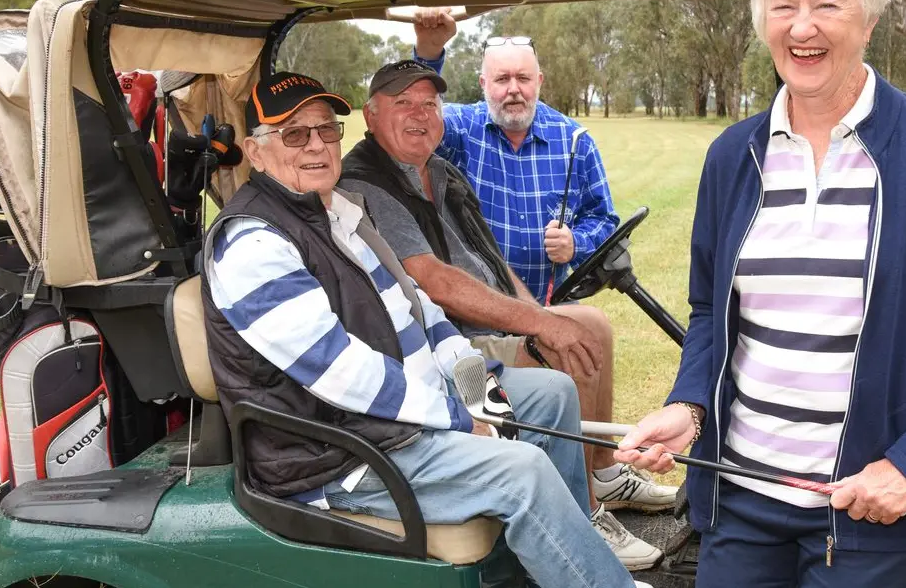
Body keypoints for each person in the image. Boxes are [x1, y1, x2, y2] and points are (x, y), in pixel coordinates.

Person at [613, 0, 906, 587]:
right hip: (741, 500)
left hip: (870, 518)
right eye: (783, 7)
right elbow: (708, 315)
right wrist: (689, 407)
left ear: (867, 17)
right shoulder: (733, 156)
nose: (801, 27)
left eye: (826, 5)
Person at [200, 70, 649, 588]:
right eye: (295, 134)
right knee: (521, 470)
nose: (317, 146)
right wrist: (457, 416)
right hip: (335, 454)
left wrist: (472, 382)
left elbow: (417, 310)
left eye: (326, 130)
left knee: (550, 393)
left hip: (388, 419)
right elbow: (342, 375)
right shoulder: (254, 244)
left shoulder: (334, 214)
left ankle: (547, 559)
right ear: (256, 154)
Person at [335, 58, 674, 570]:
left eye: (428, 104)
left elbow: (488, 258)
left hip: (480, 325)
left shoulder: (439, 171)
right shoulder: (368, 183)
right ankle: (582, 516)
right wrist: (538, 324)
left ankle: (601, 472)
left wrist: (537, 312)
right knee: (574, 335)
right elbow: (433, 280)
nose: (418, 115)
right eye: (402, 104)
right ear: (371, 115)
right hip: (448, 340)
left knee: (587, 324)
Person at [411, 14, 619, 301]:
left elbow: (603, 219)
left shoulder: (575, 141)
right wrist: (428, 54)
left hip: (549, 306)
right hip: (475, 309)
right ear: (483, 84)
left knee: (593, 336)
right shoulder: (463, 129)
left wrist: (575, 243)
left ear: (539, 81)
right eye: (501, 79)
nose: (513, 90)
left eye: (523, 78)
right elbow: (421, 122)